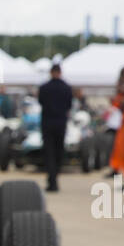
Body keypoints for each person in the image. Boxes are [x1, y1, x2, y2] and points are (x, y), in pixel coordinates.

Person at [37, 64, 72, 192]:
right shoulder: (66, 88)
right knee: (58, 152)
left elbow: (41, 102)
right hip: (60, 123)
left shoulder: (44, 88)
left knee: (49, 153)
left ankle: (52, 180)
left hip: (47, 123)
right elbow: (69, 105)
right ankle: (54, 177)